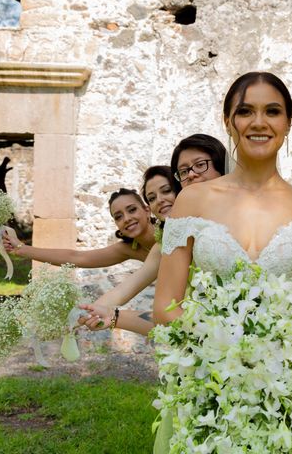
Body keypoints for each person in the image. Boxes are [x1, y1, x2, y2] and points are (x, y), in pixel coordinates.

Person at [153, 72, 292, 452]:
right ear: (229, 121)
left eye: (272, 111)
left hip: (287, 393)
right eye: (246, 111)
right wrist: (219, 353)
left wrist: (290, 361)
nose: (259, 122)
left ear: (288, 122)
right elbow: (165, 307)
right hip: (210, 385)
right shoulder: (192, 201)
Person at [79, 136, 227, 334]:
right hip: (202, 333)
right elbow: (128, 287)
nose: (161, 201)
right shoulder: (168, 242)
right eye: (152, 198)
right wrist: (93, 312)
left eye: (167, 191)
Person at [2, 188, 156, 267]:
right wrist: (21, 248)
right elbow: (76, 258)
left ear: (147, 210)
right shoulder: (128, 249)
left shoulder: (171, 231)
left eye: (132, 210)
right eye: (118, 217)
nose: (127, 219)